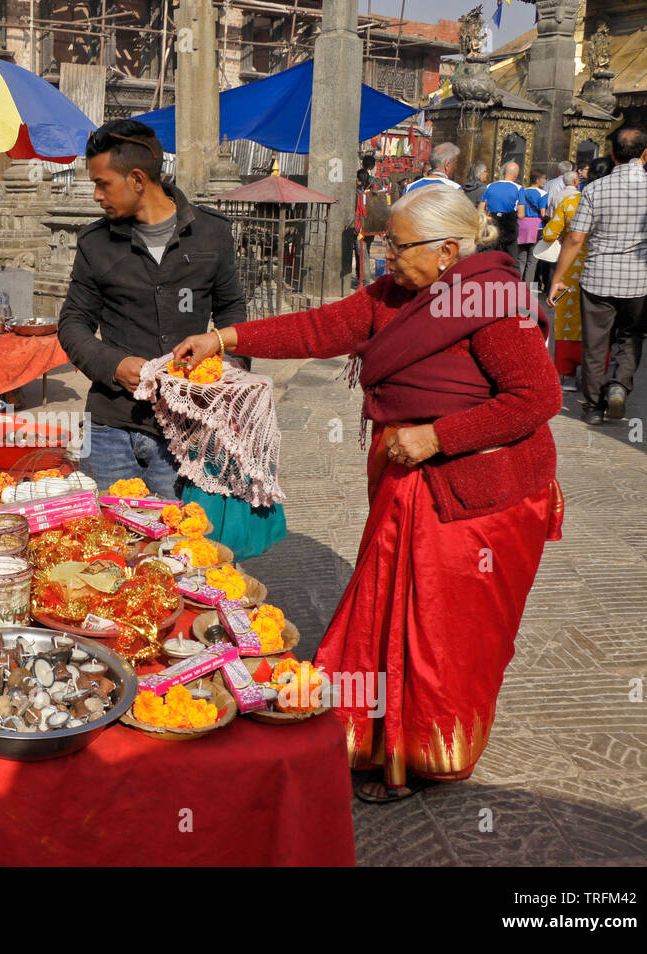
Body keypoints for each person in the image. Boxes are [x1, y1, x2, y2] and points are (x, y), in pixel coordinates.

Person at [174, 186, 563, 802]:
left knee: (439, 632)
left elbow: (538, 400)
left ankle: (419, 756)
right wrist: (226, 339)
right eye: (385, 242)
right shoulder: (396, 294)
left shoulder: (495, 300)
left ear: (448, 252)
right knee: (385, 606)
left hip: (481, 495)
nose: (386, 256)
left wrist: (437, 436)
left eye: (398, 245)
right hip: (411, 477)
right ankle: (366, 736)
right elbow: (322, 326)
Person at [59, 119, 246, 497]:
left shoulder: (212, 233)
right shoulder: (96, 243)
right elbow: (73, 323)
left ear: (138, 180)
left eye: (102, 183)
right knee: (107, 543)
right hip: (111, 426)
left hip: (186, 427)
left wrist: (227, 378)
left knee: (181, 544)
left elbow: (232, 313)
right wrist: (113, 365)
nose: (96, 195)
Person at [548, 127, 647, 425]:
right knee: (631, 336)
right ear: (646, 154)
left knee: (596, 343)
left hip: (597, 278)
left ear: (612, 155)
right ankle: (619, 385)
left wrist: (557, 278)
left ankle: (594, 407)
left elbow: (574, 239)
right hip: (639, 279)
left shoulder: (595, 190)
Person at [540, 162, 609, 389]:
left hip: (572, 269)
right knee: (601, 322)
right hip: (605, 271)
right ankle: (596, 376)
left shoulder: (572, 203)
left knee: (568, 317)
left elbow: (550, 233)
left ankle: (567, 373)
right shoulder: (615, 205)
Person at [478, 161, 522, 262]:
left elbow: (480, 210)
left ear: (503, 173)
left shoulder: (489, 186)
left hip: (492, 223)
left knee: (489, 256)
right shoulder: (519, 188)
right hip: (509, 224)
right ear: (516, 175)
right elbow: (521, 214)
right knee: (512, 259)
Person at [515, 170, 550, 283]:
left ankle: (516, 284)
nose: (545, 180)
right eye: (544, 178)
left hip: (522, 225)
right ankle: (528, 287)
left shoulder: (522, 191)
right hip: (536, 226)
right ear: (537, 180)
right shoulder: (543, 194)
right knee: (532, 260)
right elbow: (543, 213)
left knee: (521, 258)